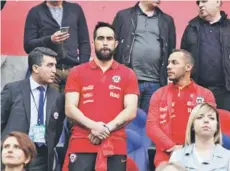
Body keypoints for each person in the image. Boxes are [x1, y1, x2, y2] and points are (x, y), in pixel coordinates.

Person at [62, 22, 139, 171]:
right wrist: (94, 126)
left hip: (115, 145)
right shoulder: (77, 72)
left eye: (109, 39)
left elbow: (131, 111)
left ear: (116, 43)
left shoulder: (128, 74)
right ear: (93, 42)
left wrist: (104, 129)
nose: (105, 42)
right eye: (101, 38)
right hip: (81, 142)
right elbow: (70, 109)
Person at [146, 49, 216, 167]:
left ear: (188, 67)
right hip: (165, 157)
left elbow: (210, 127)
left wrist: (187, 150)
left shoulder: (205, 95)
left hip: (197, 156)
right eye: (168, 63)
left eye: (174, 63)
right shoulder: (159, 94)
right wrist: (172, 147)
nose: (168, 66)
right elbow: (151, 126)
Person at [1, 47, 65, 171]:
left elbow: (57, 127)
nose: (54, 70)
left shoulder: (57, 96)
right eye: (49, 65)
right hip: (15, 152)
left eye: (55, 65)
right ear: (35, 68)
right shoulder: (13, 90)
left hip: (42, 156)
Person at [112, 0, 176, 113]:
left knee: (149, 122)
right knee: (126, 120)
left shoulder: (167, 20)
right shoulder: (123, 16)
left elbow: (170, 49)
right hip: (128, 80)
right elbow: (113, 46)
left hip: (155, 81)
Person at [24, 0, 91, 92]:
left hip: (72, 70)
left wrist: (82, 68)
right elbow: (28, 46)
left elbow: (84, 43)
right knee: (49, 106)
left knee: (70, 105)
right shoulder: (35, 12)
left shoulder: (75, 9)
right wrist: (50, 39)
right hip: (46, 71)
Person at [181, 0, 230, 111]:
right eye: (198, 3)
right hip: (198, 90)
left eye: (204, 1)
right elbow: (182, 59)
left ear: (218, 2)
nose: (200, 5)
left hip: (226, 91)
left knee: (226, 126)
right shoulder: (191, 28)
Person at [170, 103, 230, 171]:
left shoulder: (228, 157)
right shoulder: (177, 156)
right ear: (192, 125)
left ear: (217, 126)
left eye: (212, 118)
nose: (206, 121)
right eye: (200, 117)